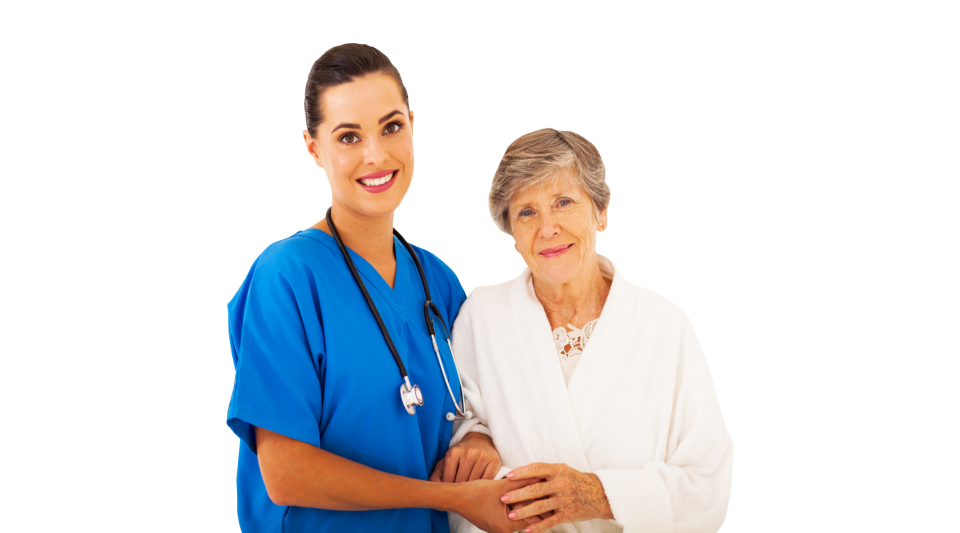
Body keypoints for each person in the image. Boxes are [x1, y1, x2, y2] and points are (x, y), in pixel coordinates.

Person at [225, 43, 535, 533]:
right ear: (313, 147)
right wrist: (451, 497)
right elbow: (287, 475)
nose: (376, 155)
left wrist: (480, 442)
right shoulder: (286, 278)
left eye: (391, 127)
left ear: (413, 123)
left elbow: (473, 412)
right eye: (348, 137)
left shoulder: (438, 282)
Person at [441, 129, 734, 533]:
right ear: (511, 232)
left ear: (601, 211)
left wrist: (599, 493)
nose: (547, 228)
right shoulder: (480, 317)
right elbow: (456, 448)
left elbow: (707, 484)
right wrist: (475, 440)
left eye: (563, 202)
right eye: (526, 212)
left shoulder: (665, 327)